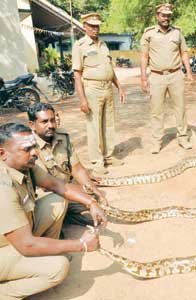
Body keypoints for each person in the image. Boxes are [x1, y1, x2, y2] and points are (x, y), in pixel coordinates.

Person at [0, 122, 106, 299]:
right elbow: (27, 245)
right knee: (58, 267)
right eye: (27, 149)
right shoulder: (3, 189)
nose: (35, 152)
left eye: (34, 145)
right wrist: (82, 245)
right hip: (13, 245)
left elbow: (57, 185)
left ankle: (40, 257)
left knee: (56, 200)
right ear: (2, 154)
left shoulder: (25, 166)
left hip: (16, 237)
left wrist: (91, 203)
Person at [28, 103, 107, 226]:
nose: (51, 125)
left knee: (94, 198)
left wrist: (93, 189)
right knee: (61, 202)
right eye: (44, 122)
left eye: (52, 120)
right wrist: (84, 197)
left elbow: (77, 169)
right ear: (32, 125)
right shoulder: (28, 146)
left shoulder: (62, 137)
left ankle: (67, 216)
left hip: (64, 188)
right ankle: (55, 223)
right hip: (45, 193)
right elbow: (48, 185)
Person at [72, 12, 125, 176]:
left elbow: (109, 68)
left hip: (107, 88)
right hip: (92, 89)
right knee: (94, 126)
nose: (95, 29)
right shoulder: (80, 46)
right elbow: (77, 75)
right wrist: (82, 100)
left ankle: (108, 156)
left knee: (108, 124)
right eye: (92, 26)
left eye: (97, 26)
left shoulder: (103, 45)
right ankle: (97, 162)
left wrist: (119, 87)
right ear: (85, 27)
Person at [140, 3, 194, 154]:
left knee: (180, 108)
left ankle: (183, 138)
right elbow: (144, 56)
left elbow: (184, 53)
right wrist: (143, 78)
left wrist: (188, 72)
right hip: (156, 76)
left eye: (168, 16)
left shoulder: (177, 33)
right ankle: (157, 141)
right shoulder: (149, 34)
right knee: (156, 111)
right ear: (157, 16)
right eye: (163, 15)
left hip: (176, 75)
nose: (166, 18)